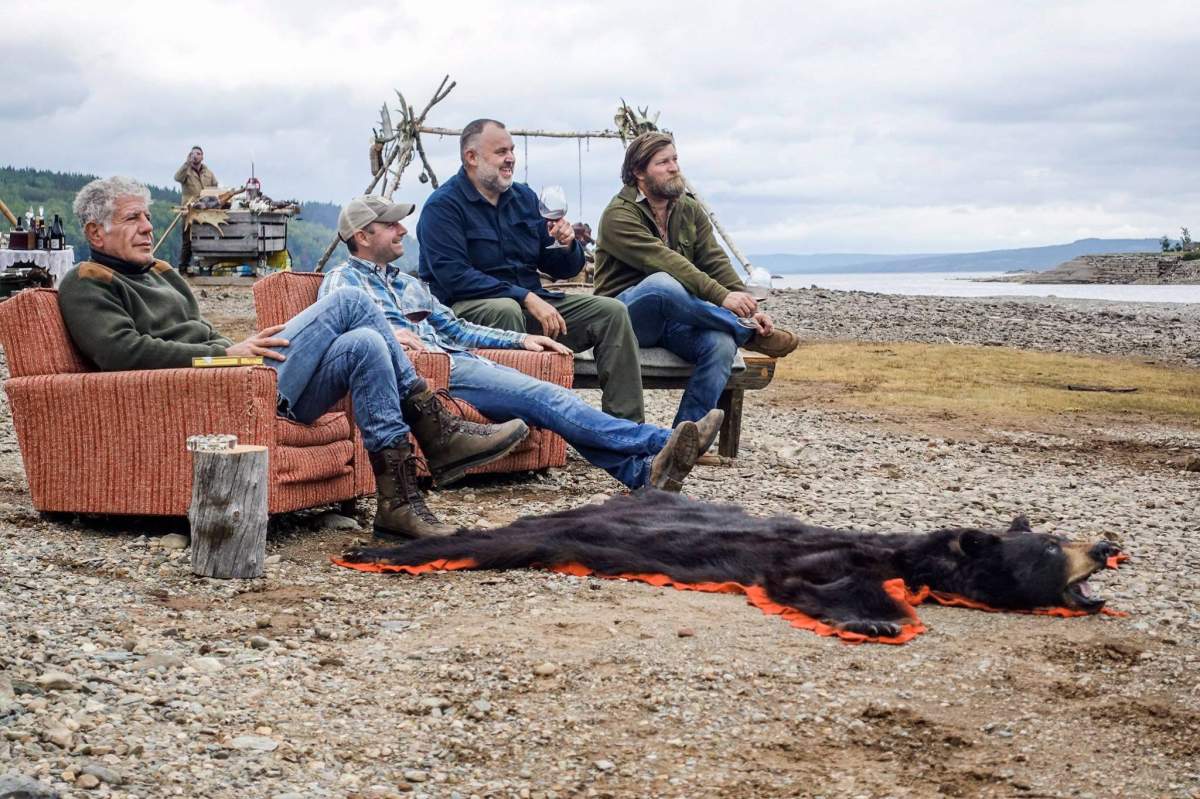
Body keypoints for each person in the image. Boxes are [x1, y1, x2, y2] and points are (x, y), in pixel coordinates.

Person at [58, 177, 529, 540]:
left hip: (241, 379)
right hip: (215, 390)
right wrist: (225, 354)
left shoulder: (162, 274)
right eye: (132, 219)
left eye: (146, 216)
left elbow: (201, 332)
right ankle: (436, 429)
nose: (147, 227)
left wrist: (238, 344)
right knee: (351, 302)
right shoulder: (87, 282)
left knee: (366, 343)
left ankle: (399, 504)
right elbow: (123, 353)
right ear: (95, 231)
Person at [325, 195, 722, 493]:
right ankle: (662, 440)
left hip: (459, 363)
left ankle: (643, 475)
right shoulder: (344, 279)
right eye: (390, 224)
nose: (402, 230)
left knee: (547, 404)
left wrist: (522, 338)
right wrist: (386, 334)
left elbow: (458, 329)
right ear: (362, 235)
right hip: (427, 375)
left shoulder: (408, 284)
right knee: (548, 398)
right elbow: (336, 334)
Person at [416, 119, 646, 423]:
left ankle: (627, 429)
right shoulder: (443, 207)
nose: (511, 158)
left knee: (612, 312)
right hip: (465, 315)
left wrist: (567, 245)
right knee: (505, 309)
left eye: (512, 150)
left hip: (530, 304)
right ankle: (517, 426)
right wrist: (524, 297)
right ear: (471, 157)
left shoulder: (524, 198)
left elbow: (563, 268)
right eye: (501, 152)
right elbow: (454, 277)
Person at [594, 132, 800, 426]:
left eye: (675, 159)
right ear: (639, 172)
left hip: (674, 319)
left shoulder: (688, 208)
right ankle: (746, 333)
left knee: (721, 344)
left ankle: (686, 437)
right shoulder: (618, 215)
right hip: (625, 319)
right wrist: (725, 301)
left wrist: (749, 309)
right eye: (663, 162)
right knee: (663, 283)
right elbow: (667, 262)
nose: (674, 168)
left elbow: (714, 261)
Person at [173, 146, 218, 274]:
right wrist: (186, 163)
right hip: (189, 210)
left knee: (206, 237)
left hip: (205, 210)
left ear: (202, 156)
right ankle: (183, 267)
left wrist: (211, 201)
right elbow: (177, 177)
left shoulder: (208, 172)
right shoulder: (185, 171)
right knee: (187, 239)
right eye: (193, 154)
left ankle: (205, 266)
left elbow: (215, 186)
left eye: (198, 153)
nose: (195, 156)